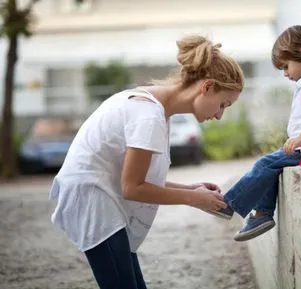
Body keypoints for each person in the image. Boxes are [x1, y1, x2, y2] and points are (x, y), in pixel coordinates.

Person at [48, 35, 244, 289]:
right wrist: (193, 199)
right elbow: (133, 187)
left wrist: (191, 189)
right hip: (93, 204)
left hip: (104, 200)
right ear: (206, 87)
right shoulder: (148, 115)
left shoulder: (155, 108)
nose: (219, 115)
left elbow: (137, 178)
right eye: (222, 104)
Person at [208, 25, 301, 242]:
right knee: (271, 168)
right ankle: (262, 214)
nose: (285, 73)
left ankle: (228, 204)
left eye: (286, 66)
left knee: (264, 164)